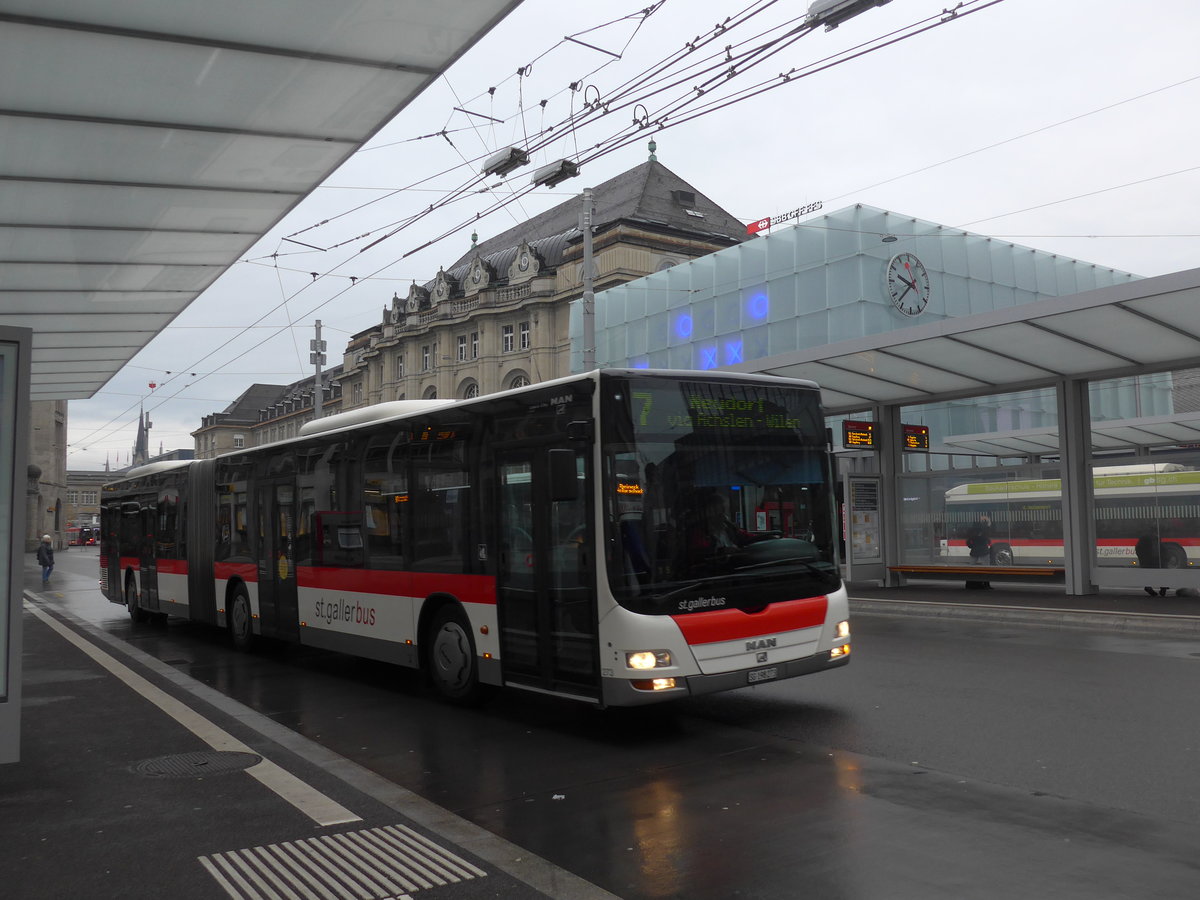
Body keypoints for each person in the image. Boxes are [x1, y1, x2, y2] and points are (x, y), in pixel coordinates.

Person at [1134, 530, 1168, 597]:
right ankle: (1162, 588)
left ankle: (1151, 587)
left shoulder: (1146, 538)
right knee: (1160, 574)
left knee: (1150, 573)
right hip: (1152, 559)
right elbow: (1162, 549)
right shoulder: (1154, 538)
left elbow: (1138, 549)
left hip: (1149, 559)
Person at [964, 513, 993, 590]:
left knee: (971, 568)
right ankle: (986, 584)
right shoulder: (984, 530)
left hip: (974, 552)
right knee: (986, 568)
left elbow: (968, 542)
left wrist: (972, 546)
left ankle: (969, 583)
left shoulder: (972, 531)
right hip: (984, 551)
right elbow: (988, 538)